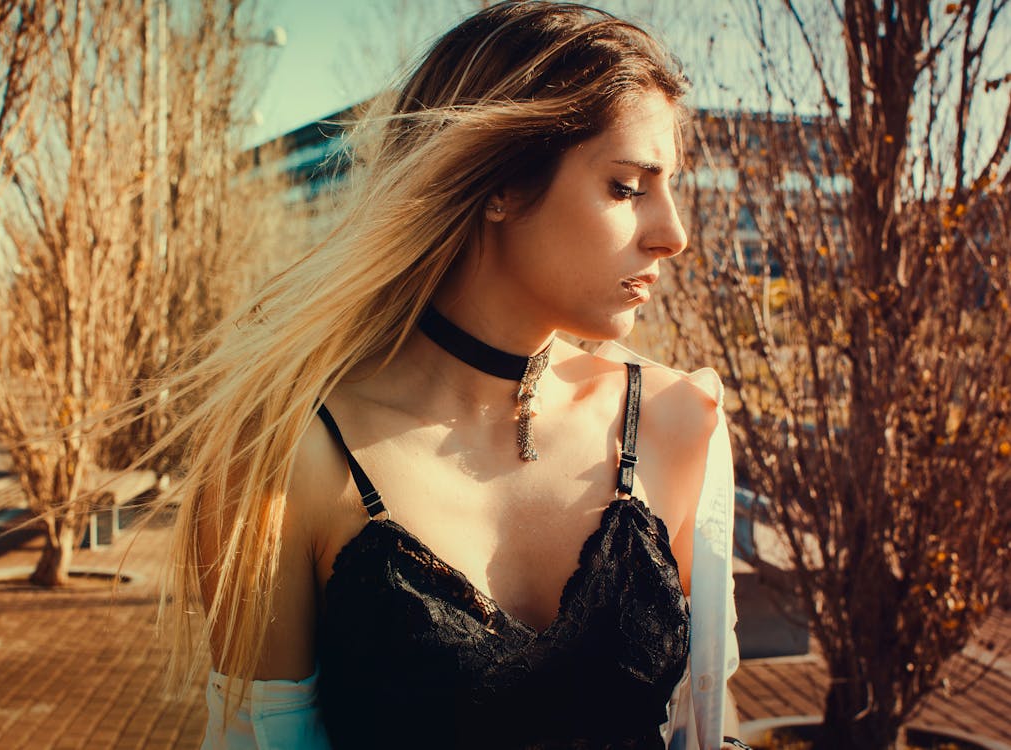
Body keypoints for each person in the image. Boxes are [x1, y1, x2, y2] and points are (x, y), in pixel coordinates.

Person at [169, 2, 744, 747]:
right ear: (497, 184)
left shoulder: (681, 422)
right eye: (628, 187)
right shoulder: (287, 457)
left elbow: (707, 728)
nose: (673, 234)